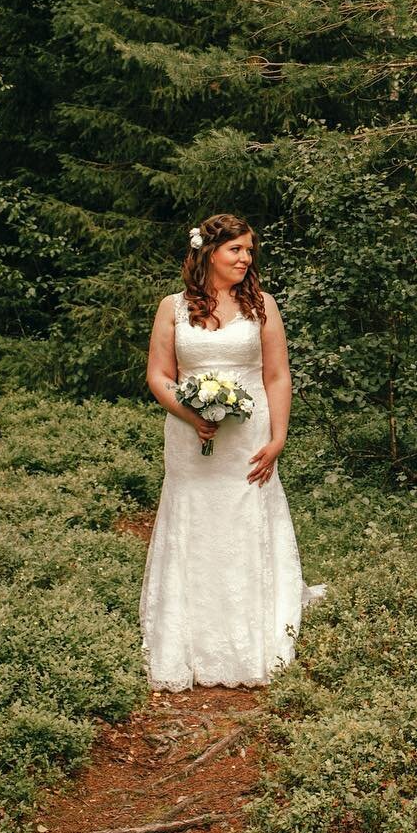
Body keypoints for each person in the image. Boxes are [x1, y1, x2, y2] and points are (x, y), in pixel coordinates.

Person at [141, 213, 323, 691]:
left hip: (249, 436)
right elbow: (159, 375)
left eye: (248, 250)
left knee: (244, 516)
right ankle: (190, 635)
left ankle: (252, 632)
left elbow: (277, 375)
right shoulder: (173, 308)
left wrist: (278, 437)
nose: (245, 258)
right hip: (189, 434)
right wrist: (189, 412)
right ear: (208, 253)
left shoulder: (263, 305)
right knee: (195, 520)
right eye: (235, 250)